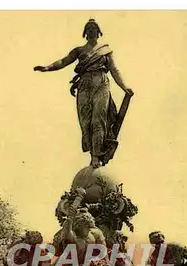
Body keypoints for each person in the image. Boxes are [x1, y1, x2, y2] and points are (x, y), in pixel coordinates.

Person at [34, 19, 134, 168]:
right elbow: (64, 61)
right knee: (86, 122)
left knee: (98, 119)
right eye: (89, 28)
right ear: (85, 33)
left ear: (99, 32)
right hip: (84, 86)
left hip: (101, 83)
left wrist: (124, 87)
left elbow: (114, 70)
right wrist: (47, 68)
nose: (92, 30)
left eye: (94, 28)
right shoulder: (79, 51)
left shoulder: (105, 50)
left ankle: (96, 156)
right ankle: (92, 152)